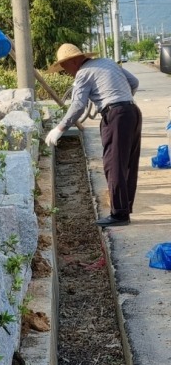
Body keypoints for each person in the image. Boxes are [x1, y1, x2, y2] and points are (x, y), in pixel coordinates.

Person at [45, 43, 141, 228]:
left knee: (113, 164)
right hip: (132, 112)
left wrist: (60, 128)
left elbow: (78, 105)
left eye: (64, 68)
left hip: (116, 116)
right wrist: (123, 99)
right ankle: (124, 208)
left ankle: (119, 214)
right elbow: (134, 82)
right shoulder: (107, 62)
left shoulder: (82, 73)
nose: (67, 73)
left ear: (72, 62)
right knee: (128, 163)